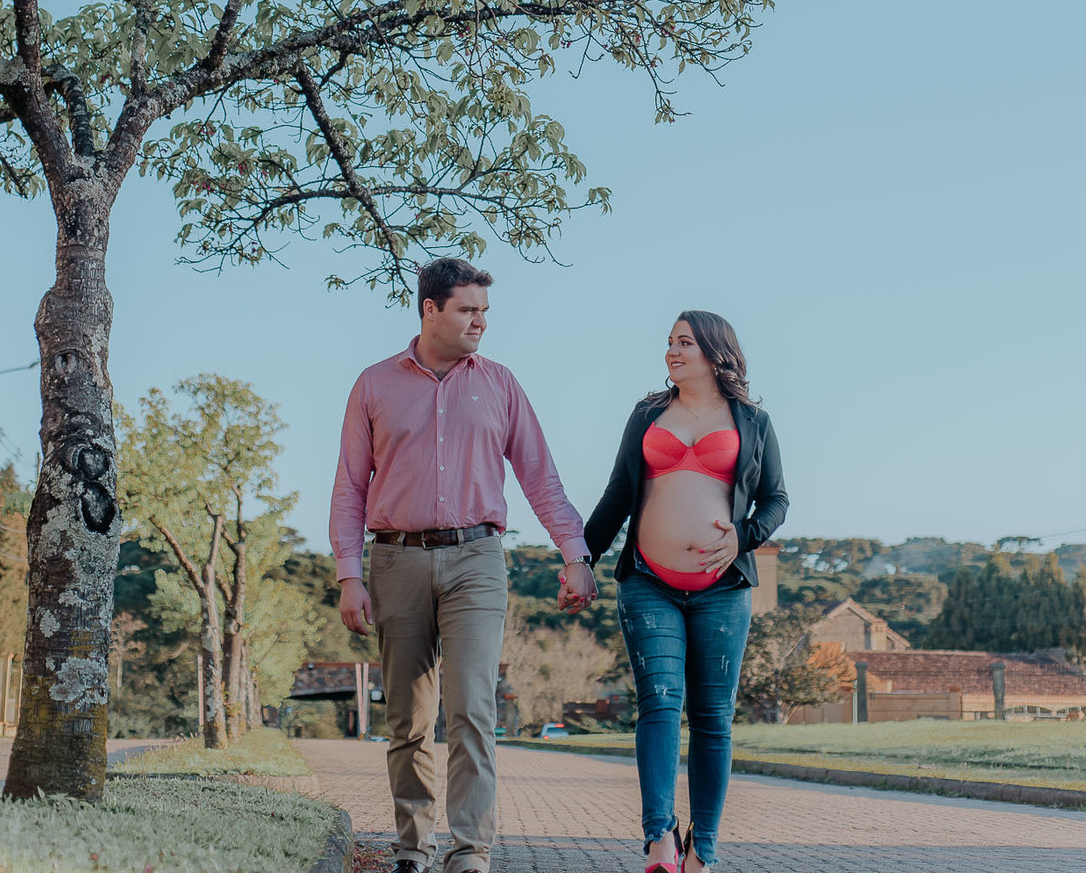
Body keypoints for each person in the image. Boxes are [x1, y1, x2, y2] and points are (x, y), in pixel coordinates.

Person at [331, 257, 598, 873]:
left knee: (472, 708)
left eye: (485, 311)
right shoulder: (374, 385)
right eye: (468, 310)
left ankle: (471, 850)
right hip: (396, 559)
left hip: (477, 558)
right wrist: (349, 574)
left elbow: (541, 479)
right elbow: (349, 487)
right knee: (408, 717)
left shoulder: (500, 384)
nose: (480, 321)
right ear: (431, 309)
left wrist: (576, 555)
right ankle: (412, 848)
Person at [584, 311, 788, 873]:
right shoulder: (648, 414)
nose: (672, 351)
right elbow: (618, 494)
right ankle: (659, 838)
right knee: (659, 702)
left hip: (723, 589)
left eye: (685, 343)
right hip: (648, 583)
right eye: (670, 342)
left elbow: (776, 498)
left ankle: (704, 848)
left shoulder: (753, 420)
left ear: (716, 353)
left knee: (713, 718)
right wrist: (581, 560)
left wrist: (744, 536)